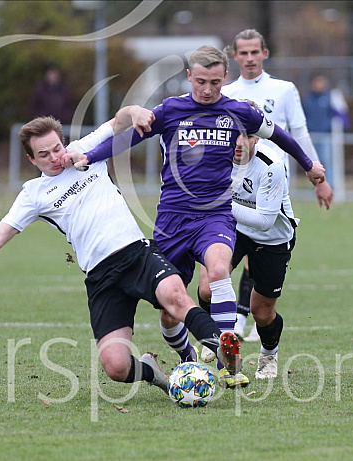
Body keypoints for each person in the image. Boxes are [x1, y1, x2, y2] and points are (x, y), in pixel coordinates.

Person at [64, 45, 326, 388]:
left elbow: (281, 136)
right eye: (201, 81)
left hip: (215, 215)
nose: (207, 89)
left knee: (218, 270)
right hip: (172, 219)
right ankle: (188, 358)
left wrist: (309, 166)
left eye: (215, 82)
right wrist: (89, 156)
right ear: (189, 76)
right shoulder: (171, 110)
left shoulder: (238, 112)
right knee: (168, 310)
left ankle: (228, 358)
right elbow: (127, 139)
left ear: (225, 78)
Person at [0, 108, 241, 396]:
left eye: (56, 149)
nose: (54, 158)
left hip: (136, 254)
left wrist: (135, 111)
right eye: (43, 155)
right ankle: (155, 375)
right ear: (31, 159)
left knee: (176, 296)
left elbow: (118, 121)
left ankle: (222, 349)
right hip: (102, 277)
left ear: (63, 142)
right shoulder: (33, 195)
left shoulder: (83, 150)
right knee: (116, 366)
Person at [219, 28, 333, 343]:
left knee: (258, 248)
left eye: (255, 52)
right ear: (235, 56)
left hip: (272, 185)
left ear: (264, 54)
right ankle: (236, 323)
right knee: (234, 253)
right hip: (237, 182)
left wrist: (317, 176)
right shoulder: (225, 93)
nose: (250, 58)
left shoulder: (283, 90)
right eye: (244, 53)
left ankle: (251, 317)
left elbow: (299, 132)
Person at [199, 103, 296, 379]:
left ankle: (268, 354)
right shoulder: (214, 155)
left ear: (258, 136)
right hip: (232, 229)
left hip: (271, 238)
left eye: (248, 134)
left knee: (261, 312)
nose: (239, 143)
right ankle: (211, 337)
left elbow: (265, 220)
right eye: (234, 133)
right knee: (207, 287)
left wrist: (221, 200)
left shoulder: (271, 165)